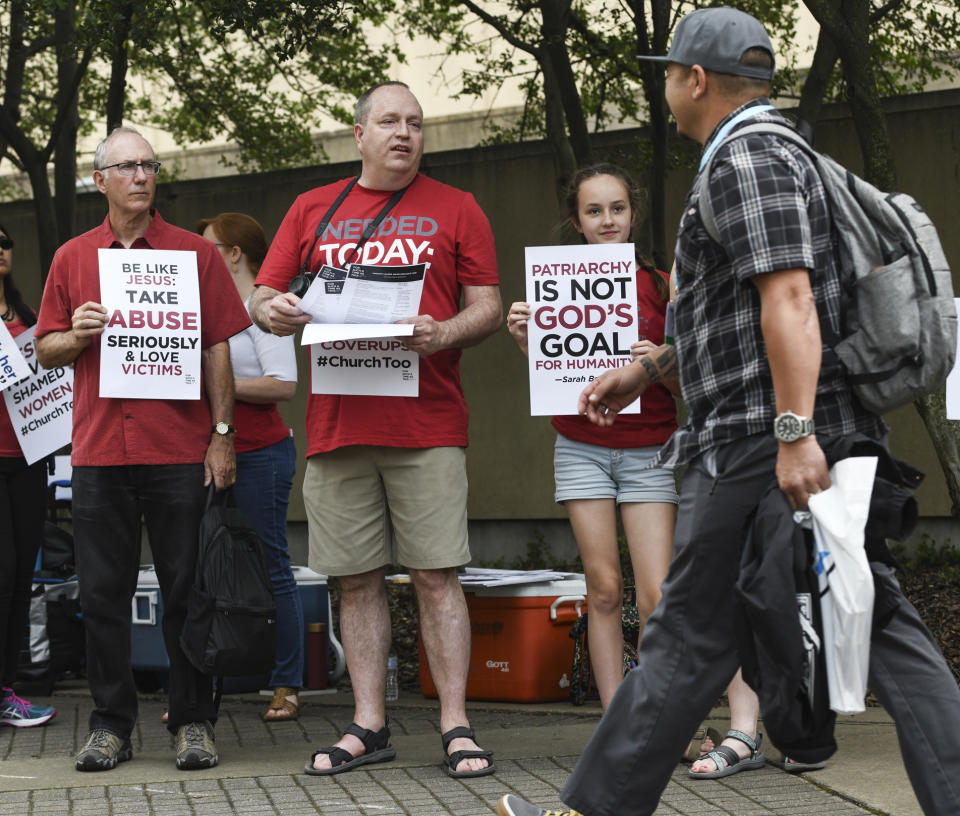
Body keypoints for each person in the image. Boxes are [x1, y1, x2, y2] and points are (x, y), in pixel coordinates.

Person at [498, 7, 960, 816]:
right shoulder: (764, 156)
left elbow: (789, 298)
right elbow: (746, 316)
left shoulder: (747, 156)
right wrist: (647, 371)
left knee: (713, 632)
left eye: (670, 72)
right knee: (849, 621)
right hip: (764, 435)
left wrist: (793, 434)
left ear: (697, 79)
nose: (668, 85)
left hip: (761, 443)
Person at [250, 81, 503, 777]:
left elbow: (487, 306)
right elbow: (264, 294)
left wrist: (444, 330)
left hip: (427, 422)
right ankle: (368, 723)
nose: (404, 133)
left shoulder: (459, 208)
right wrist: (273, 310)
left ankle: (455, 723)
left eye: (415, 124)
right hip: (337, 426)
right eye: (389, 121)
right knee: (355, 581)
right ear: (359, 134)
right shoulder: (312, 208)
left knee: (435, 574)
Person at [34, 126, 250, 772]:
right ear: (99, 181)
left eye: (149, 166)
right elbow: (45, 348)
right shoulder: (73, 258)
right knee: (101, 593)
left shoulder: (193, 255)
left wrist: (222, 435)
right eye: (126, 167)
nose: (140, 177)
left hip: (179, 449)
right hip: (99, 451)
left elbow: (219, 346)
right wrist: (76, 336)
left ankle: (192, 722)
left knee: (189, 590)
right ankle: (111, 724)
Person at [506, 164, 677, 710]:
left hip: (651, 448)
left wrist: (660, 365)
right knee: (602, 589)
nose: (608, 221)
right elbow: (557, 375)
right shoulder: (554, 284)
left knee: (655, 596)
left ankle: (659, 718)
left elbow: (692, 379)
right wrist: (526, 340)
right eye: (594, 211)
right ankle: (615, 723)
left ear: (634, 213)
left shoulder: (662, 285)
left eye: (618, 209)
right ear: (576, 221)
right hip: (581, 448)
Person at [196, 212, 303, 722]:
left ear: (234, 253)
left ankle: (287, 681)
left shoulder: (263, 306)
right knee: (208, 568)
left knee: (270, 565)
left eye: (208, 247)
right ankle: (208, 680)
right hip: (209, 453)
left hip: (261, 453)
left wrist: (218, 387)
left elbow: (283, 384)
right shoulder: (209, 306)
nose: (198, 255)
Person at [0, 224, 57, 729]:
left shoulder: (28, 317)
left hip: (28, 458)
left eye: (2, 241)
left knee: (21, 579)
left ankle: (6, 689)